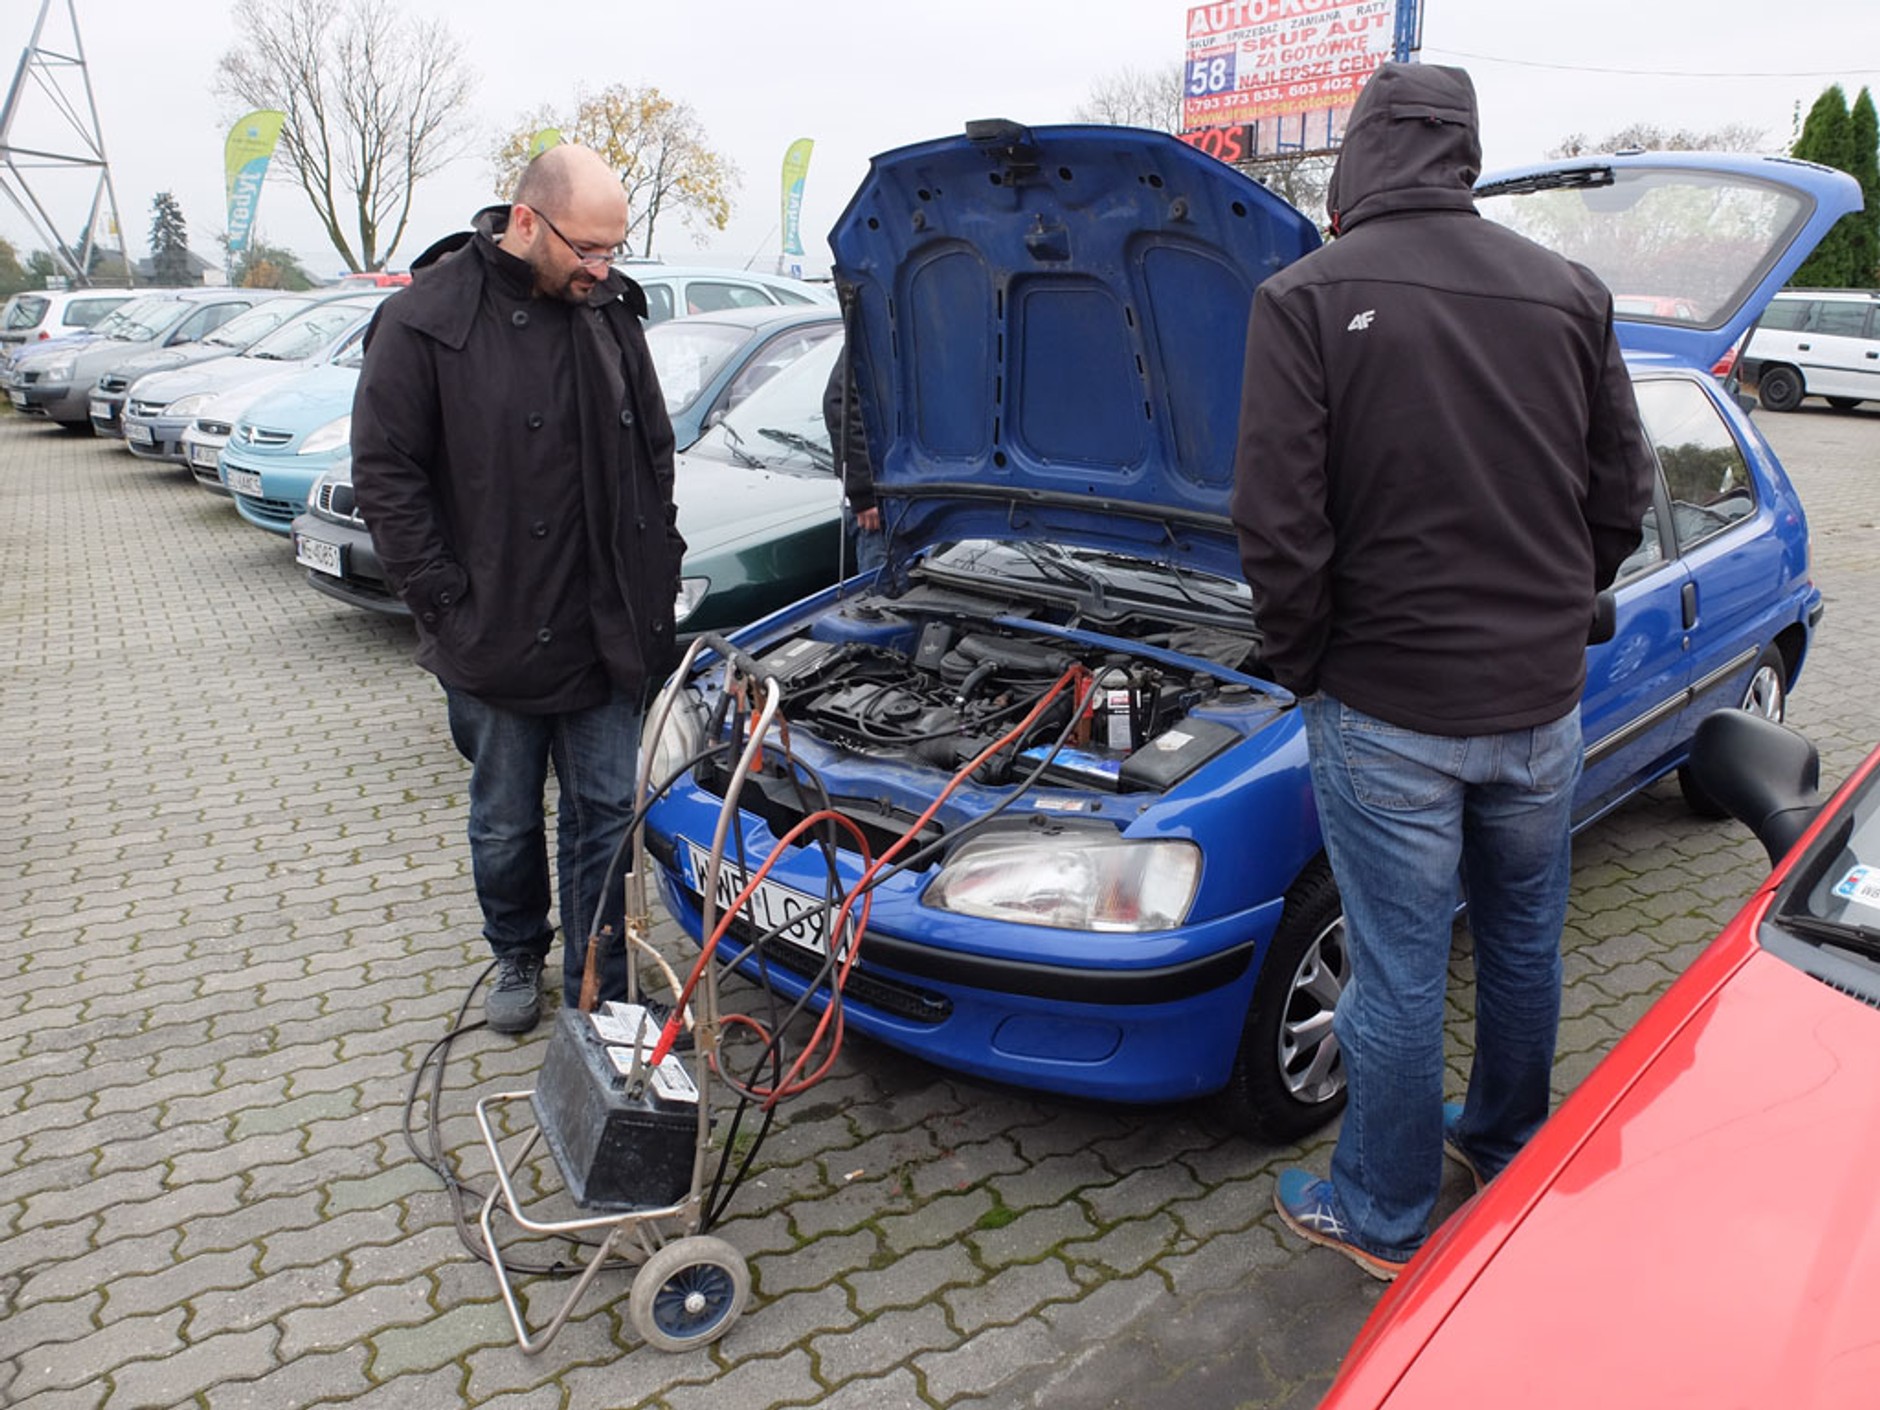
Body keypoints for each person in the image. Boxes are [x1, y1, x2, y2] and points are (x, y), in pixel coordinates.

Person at [1231, 62, 1654, 1280]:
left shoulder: (1302, 296)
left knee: (1402, 967)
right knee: (1523, 942)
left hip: (1385, 708)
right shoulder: (1568, 292)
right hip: (1536, 705)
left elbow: (1277, 526)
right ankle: (1512, 1151)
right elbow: (1619, 495)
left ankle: (1379, 1213)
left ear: (1359, 152)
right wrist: (1555, 609)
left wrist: (1308, 662)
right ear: (1462, 152)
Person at [350, 144, 685, 1035]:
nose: (602, 269)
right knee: (504, 822)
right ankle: (515, 950)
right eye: (588, 249)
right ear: (526, 221)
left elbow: (655, 450)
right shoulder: (424, 321)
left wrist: (663, 565)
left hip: (606, 624)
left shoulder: (611, 311)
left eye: (615, 251)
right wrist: (445, 604)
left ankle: (602, 980)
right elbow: (387, 477)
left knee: (607, 815)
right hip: (491, 630)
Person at [822, 344, 886, 573]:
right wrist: (866, 494)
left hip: (921, 500)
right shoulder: (877, 325)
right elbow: (841, 404)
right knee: (884, 597)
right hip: (880, 509)